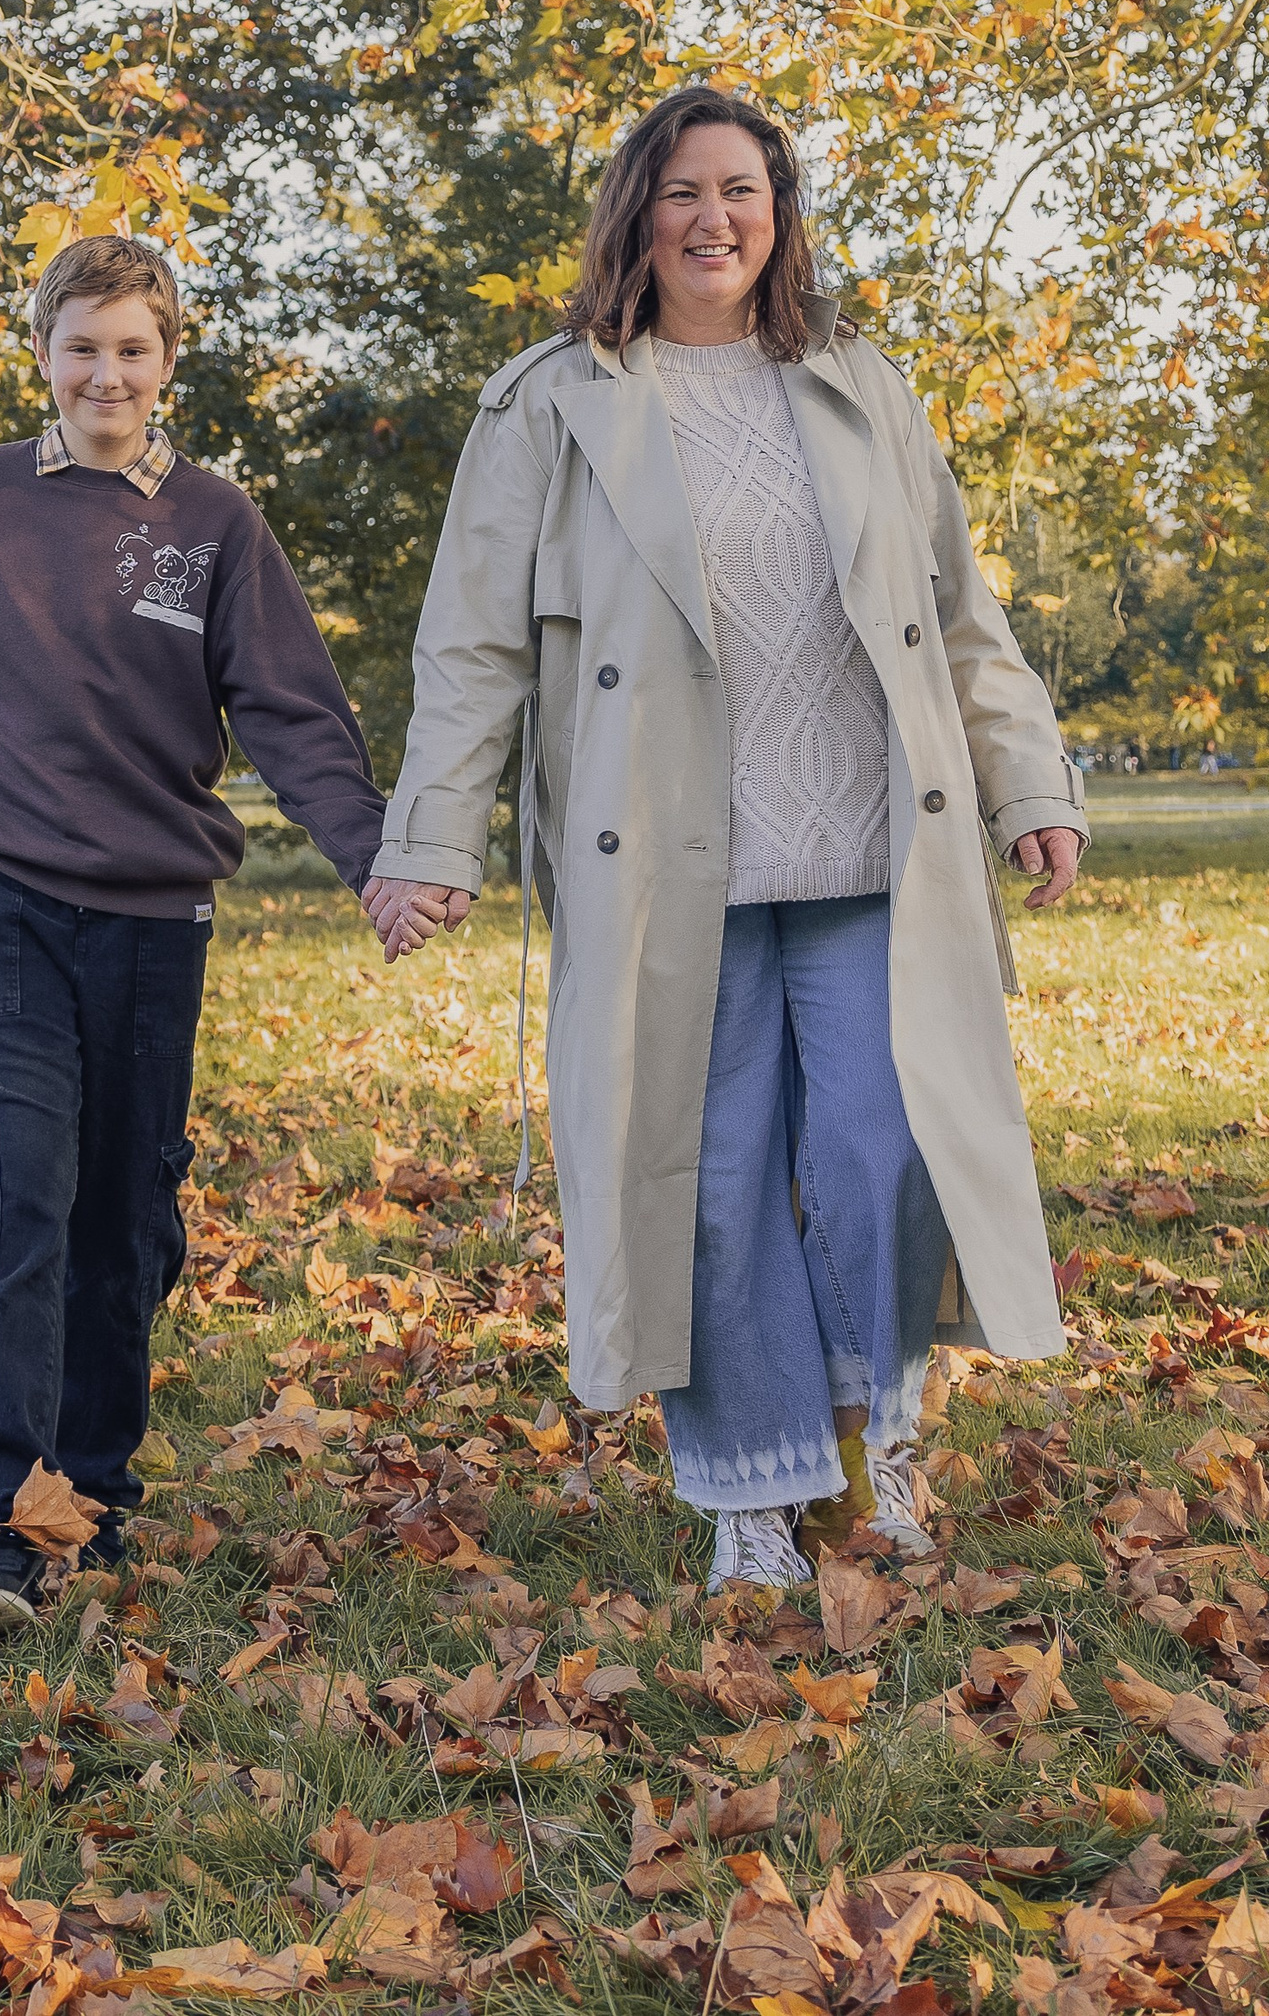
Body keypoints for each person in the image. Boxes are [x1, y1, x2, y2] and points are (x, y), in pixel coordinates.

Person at [362, 88, 1084, 1593]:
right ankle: (751, 1488)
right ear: (637, 212)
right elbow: (472, 644)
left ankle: (879, 1431)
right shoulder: (550, 399)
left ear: (778, 212)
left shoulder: (856, 382)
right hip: (663, 864)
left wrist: (1032, 785)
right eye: (682, 191)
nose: (713, 219)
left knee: (889, 1149)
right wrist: (434, 835)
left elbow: (957, 612)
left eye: (741, 190)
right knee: (709, 1170)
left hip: (867, 851)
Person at [0, 232, 389, 1630]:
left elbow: (294, 710)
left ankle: (99, 1491)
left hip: (152, 910)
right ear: (44, 356)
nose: (106, 371)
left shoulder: (213, 523)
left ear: (167, 360)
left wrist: (376, 860)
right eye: (83, 345)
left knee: (126, 1200)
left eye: (134, 347)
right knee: (22, 1178)